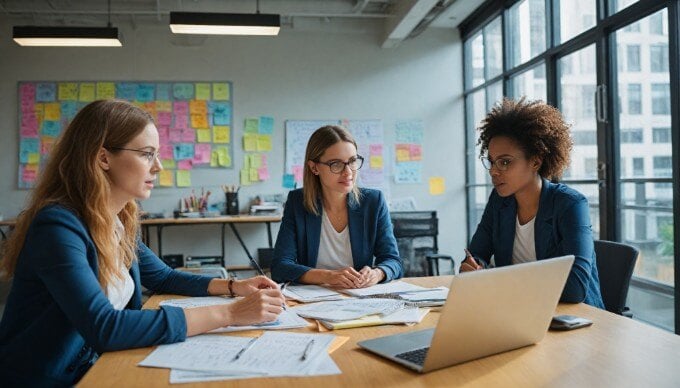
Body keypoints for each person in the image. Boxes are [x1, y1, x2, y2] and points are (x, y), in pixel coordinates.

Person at [0, 100, 284, 386]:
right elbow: (104, 327)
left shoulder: (116, 218)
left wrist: (235, 287)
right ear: (103, 158)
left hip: (98, 367)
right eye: (147, 154)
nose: (158, 166)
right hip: (47, 379)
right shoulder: (57, 226)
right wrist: (231, 313)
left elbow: (162, 276)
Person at [461, 98, 604, 308]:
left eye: (505, 162)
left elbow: (575, 288)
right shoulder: (499, 201)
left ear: (535, 161)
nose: (493, 171)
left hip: (575, 319)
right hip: (521, 309)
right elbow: (477, 253)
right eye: (491, 161)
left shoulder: (570, 204)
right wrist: (473, 267)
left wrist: (495, 278)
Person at [272, 125, 403, 288]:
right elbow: (280, 267)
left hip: (358, 296)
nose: (348, 172)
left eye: (353, 161)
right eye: (336, 164)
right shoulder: (298, 202)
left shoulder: (373, 201)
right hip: (313, 297)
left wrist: (378, 273)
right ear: (314, 167)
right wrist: (328, 276)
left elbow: (393, 261)